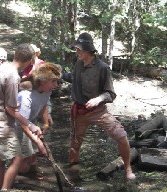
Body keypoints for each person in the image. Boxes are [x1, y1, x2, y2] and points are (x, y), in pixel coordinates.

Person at [62, 32, 136, 180]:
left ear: (88, 50)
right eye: (76, 49)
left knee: (121, 136)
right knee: (74, 144)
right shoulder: (78, 64)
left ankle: (128, 169)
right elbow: (72, 77)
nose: (76, 52)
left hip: (98, 111)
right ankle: (73, 175)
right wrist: (58, 73)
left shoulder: (103, 68)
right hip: (79, 112)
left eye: (79, 49)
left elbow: (111, 94)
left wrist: (98, 99)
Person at [0, 43, 47, 190]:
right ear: (31, 60)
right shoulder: (12, 76)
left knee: (0, 157)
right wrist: (31, 125)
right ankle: (5, 189)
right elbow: (10, 109)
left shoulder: (2, 68)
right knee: (17, 159)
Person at [16, 62, 62, 175]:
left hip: (30, 123)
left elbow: (44, 106)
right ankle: (19, 179)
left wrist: (45, 123)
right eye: (53, 81)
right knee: (26, 156)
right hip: (17, 126)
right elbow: (22, 123)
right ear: (42, 81)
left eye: (57, 81)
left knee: (33, 155)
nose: (56, 85)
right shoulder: (27, 95)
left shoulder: (47, 91)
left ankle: (29, 173)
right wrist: (38, 143)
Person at [20, 44, 54, 125]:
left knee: (46, 115)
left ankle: (46, 126)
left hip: (43, 93)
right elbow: (24, 78)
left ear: (36, 54)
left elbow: (47, 78)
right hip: (31, 93)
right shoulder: (28, 66)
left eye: (33, 53)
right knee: (31, 116)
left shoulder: (42, 63)